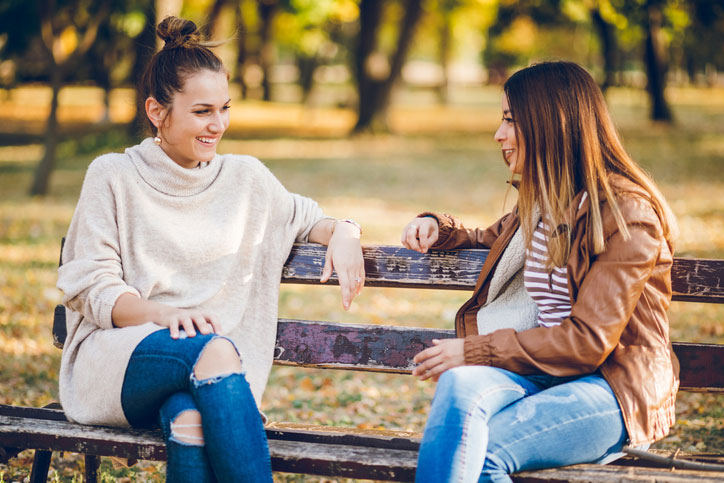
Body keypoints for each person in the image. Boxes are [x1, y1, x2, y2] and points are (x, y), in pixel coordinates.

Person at [56, 17, 365, 482]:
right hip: (119, 359)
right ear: (158, 111)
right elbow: (90, 287)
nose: (217, 124)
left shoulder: (246, 179)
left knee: (190, 420)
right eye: (202, 111)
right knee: (218, 352)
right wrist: (159, 314)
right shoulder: (112, 175)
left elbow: (305, 217)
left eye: (224, 108)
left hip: (203, 377)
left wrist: (344, 232)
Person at [401, 61, 679, 482]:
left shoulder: (627, 215)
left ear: (550, 124)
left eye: (510, 120)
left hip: (611, 388)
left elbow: (588, 343)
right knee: (457, 388)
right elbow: (486, 237)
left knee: (482, 454)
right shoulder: (543, 202)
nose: (499, 134)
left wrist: (474, 351)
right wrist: (438, 228)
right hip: (540, 375)